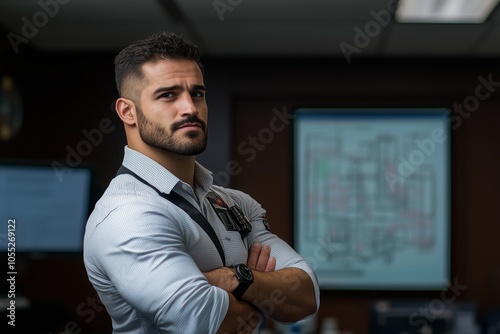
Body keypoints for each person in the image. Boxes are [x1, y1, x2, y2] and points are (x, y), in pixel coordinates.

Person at [83, 31, 319, 334]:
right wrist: (262, 294)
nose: (190, 108)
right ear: (127, 111)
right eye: (168, 95)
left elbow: (305, 296)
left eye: (197, 94)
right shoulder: (129, 215)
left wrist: (235, 278)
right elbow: (222, 325)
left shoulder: (234, 202)